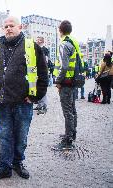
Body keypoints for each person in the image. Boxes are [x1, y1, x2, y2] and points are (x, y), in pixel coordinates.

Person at [0, 16, 48, 181]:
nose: (8, 28)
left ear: (20, 27)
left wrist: (36, 96)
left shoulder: (31, 46)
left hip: (22, 102)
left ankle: (18, 163)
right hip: (2, 102)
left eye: (11, 25)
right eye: (5, 26)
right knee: (4, 136)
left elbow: (43, 73)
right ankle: (4, 167)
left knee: (21, 137)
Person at [52, 20, 81, 150]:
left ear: (60, 30)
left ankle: (68, 140)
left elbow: (63, 67)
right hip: (73, 81)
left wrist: (58, 81)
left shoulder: (64, 44)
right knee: (72, 109)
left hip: (66, 82)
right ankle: (72, 133)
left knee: (67, 111)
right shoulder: (73, 42)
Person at [34, 36, 49, 114]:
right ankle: (39, 104)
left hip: (42, 71)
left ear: (41, 41)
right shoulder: (36, 49)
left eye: (38, 40)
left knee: (42, 88)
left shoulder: (45, 50)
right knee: (37, 88)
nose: (36, 41)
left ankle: (43, 106)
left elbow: (45, 62)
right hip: (36, 71)